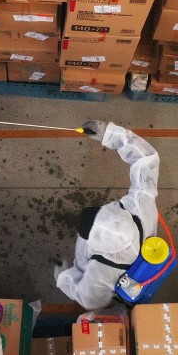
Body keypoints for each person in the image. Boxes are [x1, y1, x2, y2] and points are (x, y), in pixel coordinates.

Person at [55, 120, 160, 310]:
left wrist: (64, 277)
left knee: (82, 266)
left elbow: (89, 298)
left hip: (111, 271)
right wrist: (109, 134)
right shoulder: (140, 208)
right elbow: (146, 160)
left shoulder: (104, 270)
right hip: (137, 251)